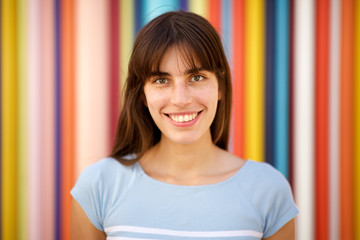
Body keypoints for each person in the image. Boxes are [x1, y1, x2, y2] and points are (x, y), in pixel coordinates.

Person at [71, 11, 298, 240]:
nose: (180, 99)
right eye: (161, 80)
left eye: (196, 77)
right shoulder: (98, 186)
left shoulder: (268, 190)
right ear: (142, 94)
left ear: (220, 86)